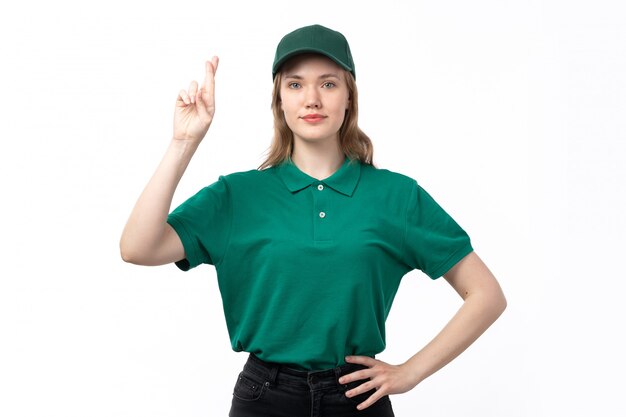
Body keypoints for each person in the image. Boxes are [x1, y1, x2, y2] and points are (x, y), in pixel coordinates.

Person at [120, 24, 507, 417]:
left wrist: (410, 373)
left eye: (328, 84)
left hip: (358, 398)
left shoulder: (397, 197)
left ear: (348, 96)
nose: (311, 99)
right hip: (264, 399)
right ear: (279, 100)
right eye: (295, 85)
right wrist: (183, 143)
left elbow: (486, 294)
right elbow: (137, 248)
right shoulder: (236, 196)